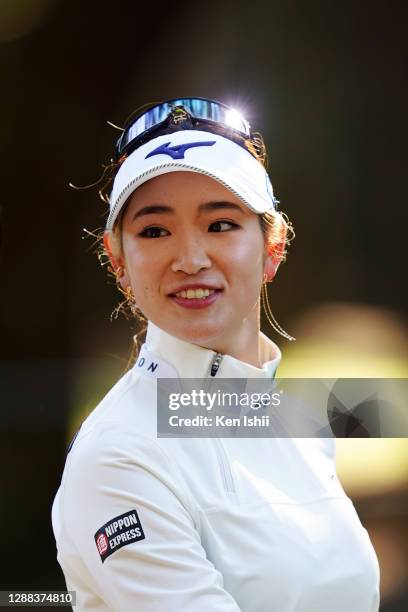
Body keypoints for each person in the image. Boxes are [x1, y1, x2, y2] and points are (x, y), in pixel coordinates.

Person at [52, 98, 380, 611]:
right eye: (154, 230)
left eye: (221, 224)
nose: (190, 259)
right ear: (119, 262)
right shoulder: (117, 457)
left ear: (273, 248)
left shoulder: (290, 422)